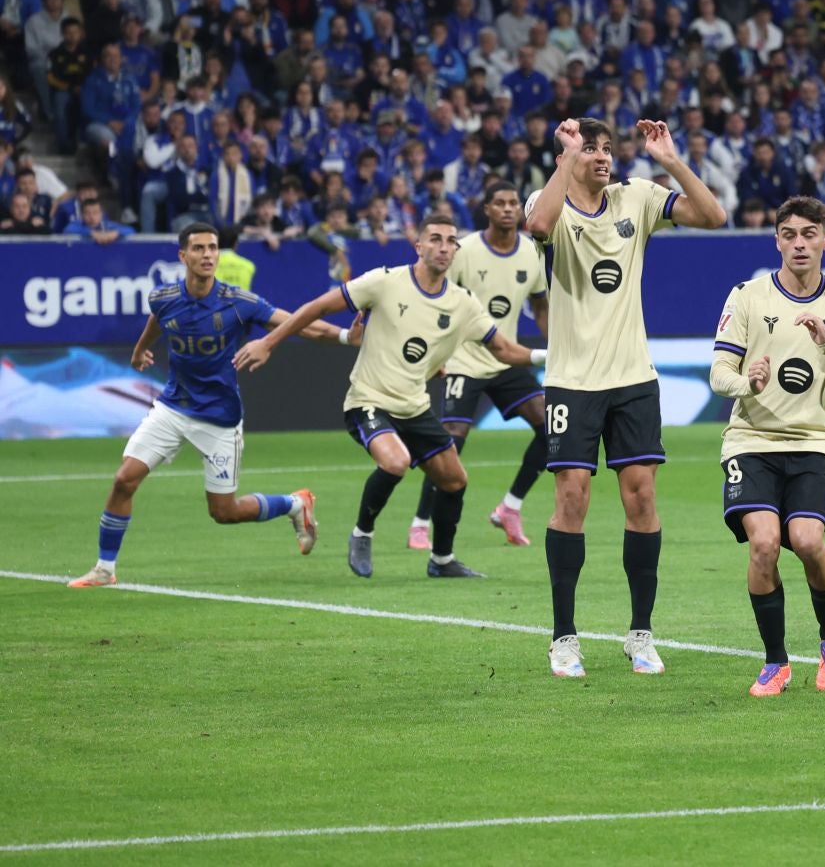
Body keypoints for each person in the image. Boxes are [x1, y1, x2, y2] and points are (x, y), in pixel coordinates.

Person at [525, 117, 727, 679]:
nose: (602, 157)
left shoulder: (635, 198)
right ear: (569, 151)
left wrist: (669, 158)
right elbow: (537, 226)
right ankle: (564, 639)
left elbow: (713, 216)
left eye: (607, 148)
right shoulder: (552, 200)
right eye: (591, 148)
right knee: (572, 500)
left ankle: (641, 633)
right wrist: (566, 158)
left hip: (633, 377)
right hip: (572, 379)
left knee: (641, 501)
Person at [235, 215, 541, 580]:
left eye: (450, 242)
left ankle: (442, 561)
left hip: (414, 406)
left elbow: (505, 349)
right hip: (368, 401)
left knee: (455, 480)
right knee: (396, 461)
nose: (444, 247)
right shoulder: (384, 282)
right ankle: (362, 533)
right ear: (419, 246)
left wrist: (551, 355)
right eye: (436, 240)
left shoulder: (463, 303)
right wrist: (268, 342)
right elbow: (316, 308)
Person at [68, 223, 348, 588]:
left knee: (224, 512)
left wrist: (344, 336)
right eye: (199, 248)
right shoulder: (164, 296)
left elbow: (300, 325)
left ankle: (295, 504)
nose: (208, 255)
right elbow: (158, 320)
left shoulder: (238, 302)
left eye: (213, 248)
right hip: (172, 408)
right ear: (183, 256)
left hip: (219, 419)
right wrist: (139, 350)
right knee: (124, 480)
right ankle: (105, 569)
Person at [709, 197, 825, 696]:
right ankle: (775, 662)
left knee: (806, 542)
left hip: (811, 441)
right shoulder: (747, 296)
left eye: (809, 233)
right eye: (789, 234)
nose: (799, 243)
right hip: (750, 440)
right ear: (777, 241)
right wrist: (748, 383)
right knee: (764, 544)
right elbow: (719, 373)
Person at [407, 180, 552, 551]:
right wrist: (433, 353)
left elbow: (540, 305)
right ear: (486, 209)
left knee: (551, 429)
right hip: (462, 360)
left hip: (505, 357)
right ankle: (420, 523)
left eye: (513, 202)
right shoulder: (465, 251)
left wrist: (557, 345)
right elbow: (435, 298)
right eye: (500, 203)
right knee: (449, 443)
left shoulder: (531, 252)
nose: (508, 208)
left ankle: (510, 507)